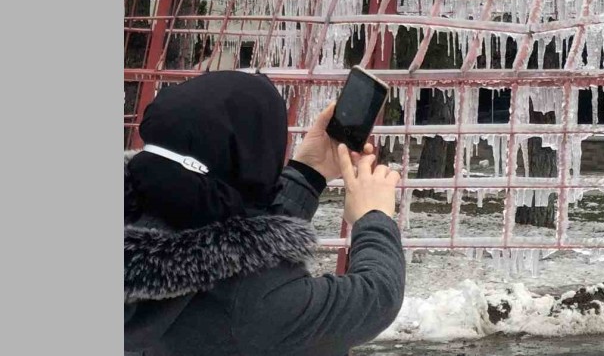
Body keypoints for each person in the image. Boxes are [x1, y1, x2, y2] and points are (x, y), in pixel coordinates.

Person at [125, 71, 405, 356]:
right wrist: (373, 216)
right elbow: (377, 297)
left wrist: (309, 172)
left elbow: (232, 234)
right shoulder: (253, 302)